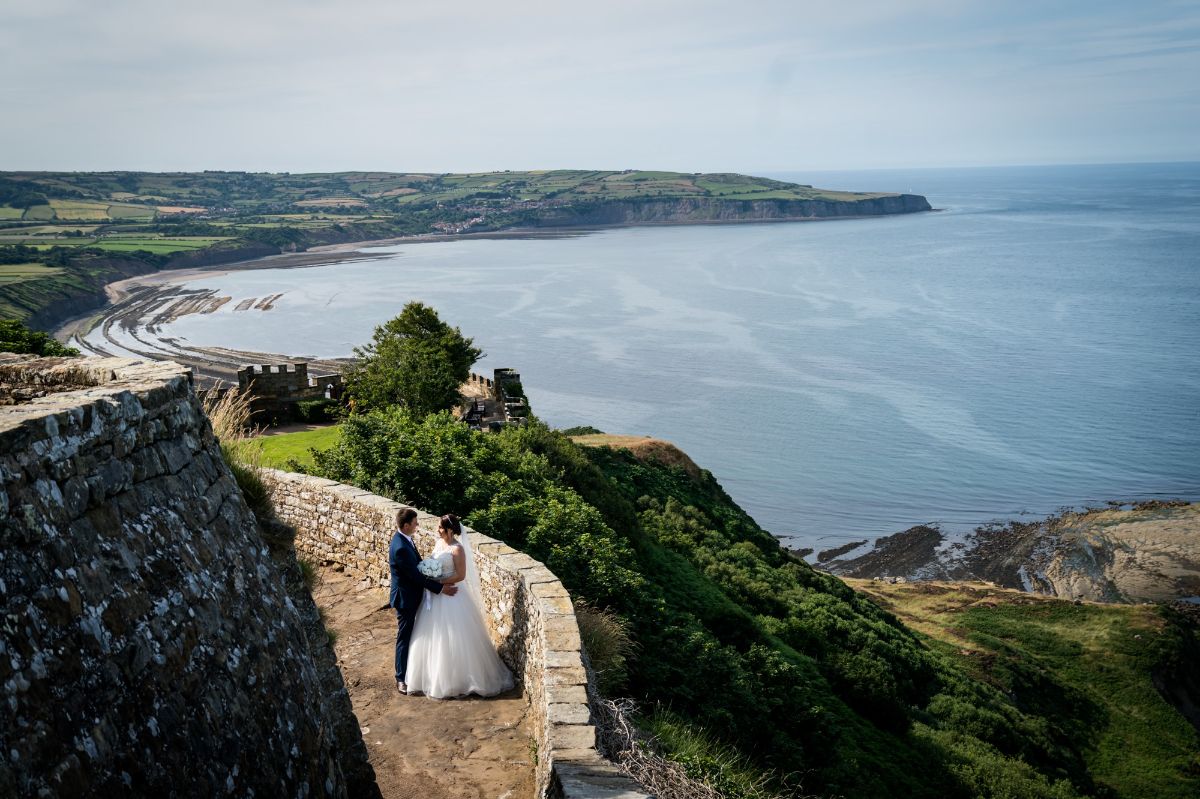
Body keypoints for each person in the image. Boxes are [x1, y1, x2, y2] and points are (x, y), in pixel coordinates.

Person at [405, 514, 515, 699]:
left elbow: (461, 575)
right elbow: (434, 562)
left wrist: (439, 582)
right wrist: (431, 578)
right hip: (437, 594)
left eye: (440, 527)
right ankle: (432, 677)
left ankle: (458, 680)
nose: (437, 530)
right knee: (434, 635)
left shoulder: (458, 549)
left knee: (455, 637)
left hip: (452, 594)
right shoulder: (440, 544)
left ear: (449, 529)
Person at [390, 507, 456, 695]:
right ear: (405, 525)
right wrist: (441, 588)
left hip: (412, 595)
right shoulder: (401, 547)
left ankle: (413, 670)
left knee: (413, 634)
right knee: (404, 637)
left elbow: (417, 567)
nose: (418, 525)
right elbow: (414, 576)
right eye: (415, 523)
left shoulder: (405, 539)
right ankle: (401, 678)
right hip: (405, 599)